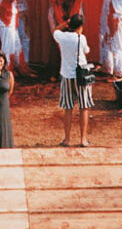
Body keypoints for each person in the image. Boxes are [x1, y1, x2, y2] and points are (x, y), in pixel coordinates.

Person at [0, 0, 50, 77]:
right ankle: (6, 73)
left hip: (9, 20)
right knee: (8, 48)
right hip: (6, 22)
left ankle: (22, 69)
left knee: (17, 46)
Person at [53, 14, 93, 147]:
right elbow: (87, 51)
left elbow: (55, 31)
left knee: (68, 108)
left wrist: (65, 24)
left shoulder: (62, 37)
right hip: (81, 75)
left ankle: (67, 139)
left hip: (67, 75)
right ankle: (83, 139)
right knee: (84, 107)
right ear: (81, 26)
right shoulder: (82, 38)